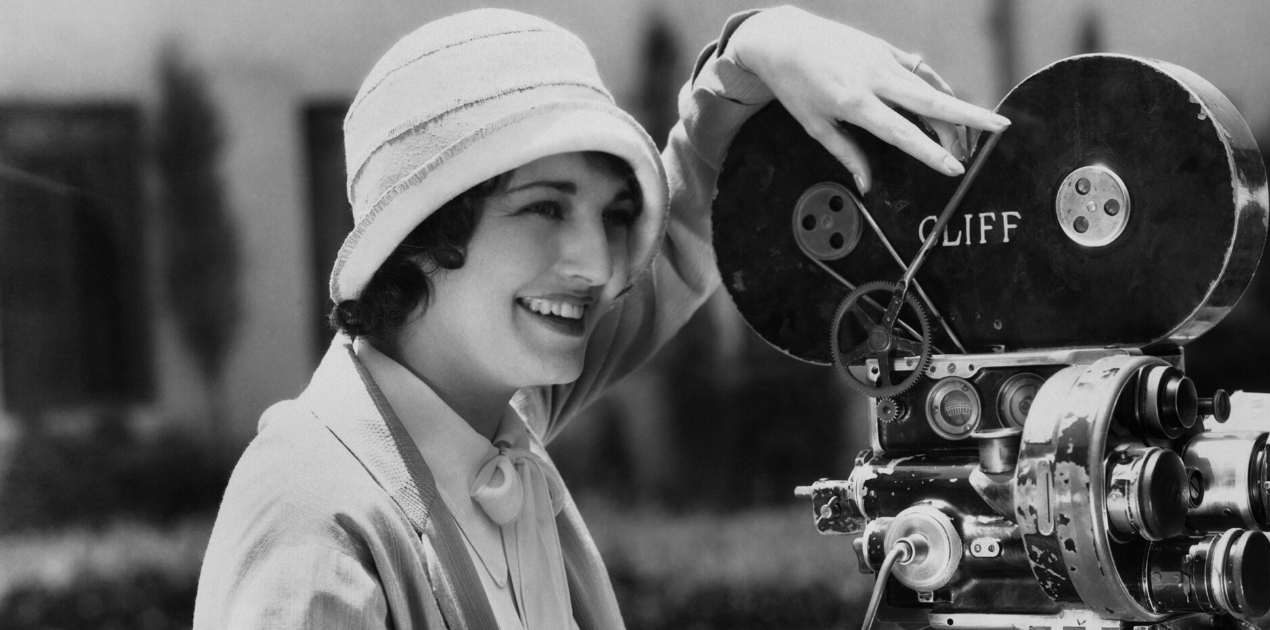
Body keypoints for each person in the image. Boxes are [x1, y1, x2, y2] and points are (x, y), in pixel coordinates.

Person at [192, 6, 1007, 628]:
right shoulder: (312, 514)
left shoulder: (492, 406)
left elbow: (689, 221)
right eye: (544, 208)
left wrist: (762, 42)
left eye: (615, 214)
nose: (599, 263)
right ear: (422, 234)